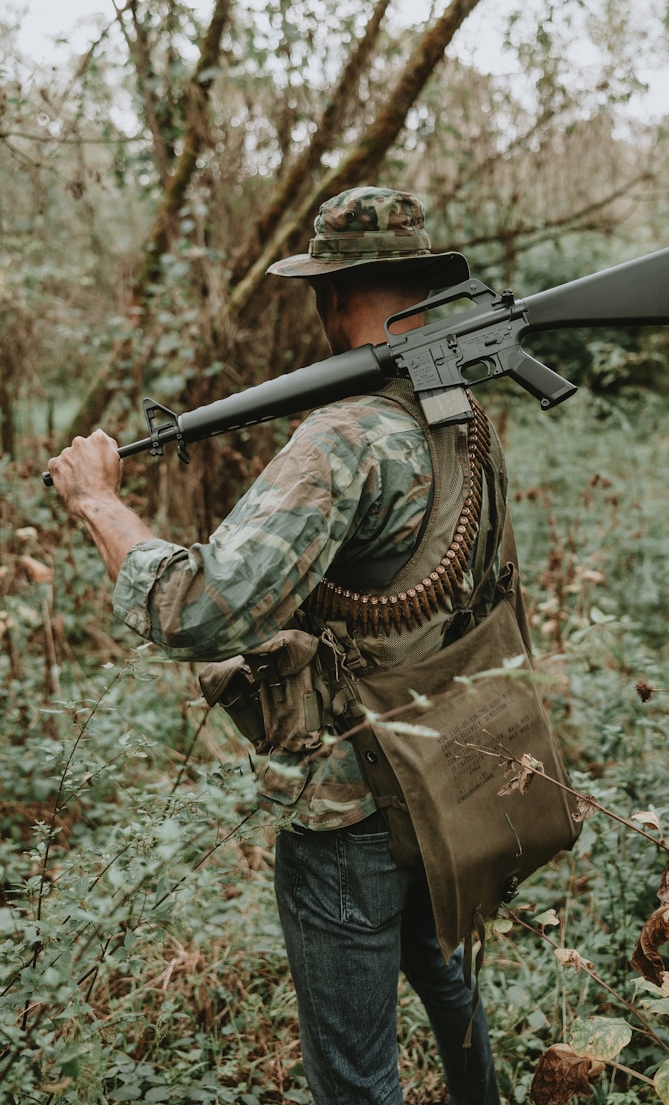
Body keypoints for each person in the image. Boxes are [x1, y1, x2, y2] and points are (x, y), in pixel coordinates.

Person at [48, 186, 504, 1105]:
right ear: (417, 282)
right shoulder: (459, 412)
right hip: (448, 761)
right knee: (448, 977)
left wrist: (99, 501)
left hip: (355, 804)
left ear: (332, 295)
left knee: (354, 1078)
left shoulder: (345, 434)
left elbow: (198, 608)